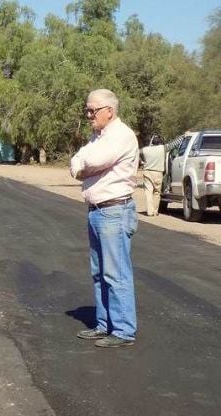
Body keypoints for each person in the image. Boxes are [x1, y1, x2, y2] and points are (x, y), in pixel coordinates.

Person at [70, 88, 139, 348]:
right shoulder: (98, 137)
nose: (89, 115)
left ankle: (123, 330)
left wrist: (82, 164)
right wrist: (81, 163)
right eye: (87, 110)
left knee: (116, 273)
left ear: (109, 111)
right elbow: (77, 161)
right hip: (97, 211)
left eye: (93, 110)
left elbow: (92, 161)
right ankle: (104, 324)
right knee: (99, 273)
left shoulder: (121, 135)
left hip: (114, 211)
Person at [139, 135, 165, 216]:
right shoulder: (163, 148)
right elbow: (174, 143)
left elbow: (136, 153)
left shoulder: (145, 150)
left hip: (147, 173)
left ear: (151, 142)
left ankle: (150, 212)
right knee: (157, 192)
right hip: (158, 173)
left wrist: (141, 162)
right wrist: (183, 136)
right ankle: (155, 211)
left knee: (148, 192)